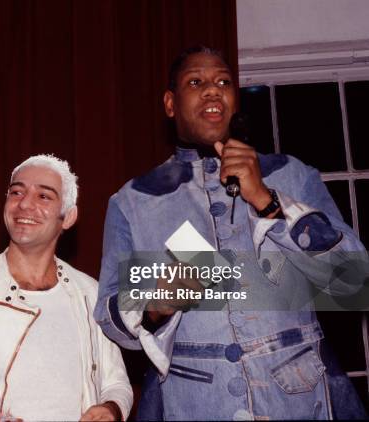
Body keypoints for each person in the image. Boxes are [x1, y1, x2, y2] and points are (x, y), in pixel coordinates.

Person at [94, 45, 369, 420]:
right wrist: (154, 306)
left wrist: (267, 200)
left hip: (302, 402)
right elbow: (110, 316)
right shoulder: (135, 200)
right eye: (196, 82)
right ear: (170, 104)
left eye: (224, 81)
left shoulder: (291, 174)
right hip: (192, 406)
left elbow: (353, 282)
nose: (213, 90)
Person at [0, 154, 133, 421]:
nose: (24, 204)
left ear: (68, 217)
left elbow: (117, 384)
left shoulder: (89, 293)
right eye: (16, 192)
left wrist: (111, 409)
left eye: (44, 196)